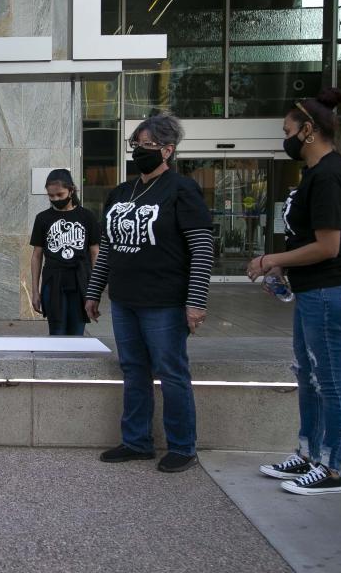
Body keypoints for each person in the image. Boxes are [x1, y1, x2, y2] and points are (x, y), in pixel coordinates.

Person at [247, 88, 341, 496]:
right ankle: (309, 453)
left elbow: (328, 247)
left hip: (331, 292)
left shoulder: (330, 175)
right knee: (310, 376)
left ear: (308, 130)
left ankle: (331, 468)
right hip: (315, 291)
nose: (286, 137)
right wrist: (280, 266)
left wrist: (271, 260)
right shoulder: (316, 174)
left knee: (329, 381)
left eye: (288, 130)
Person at [84, 114, 213, 473]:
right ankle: (136, 441)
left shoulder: (181, 189)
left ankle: (183, 446)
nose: (139, 151)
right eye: (135, 145)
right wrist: (94, 292)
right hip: (125, 301)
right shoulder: (120, 193)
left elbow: (202, 247)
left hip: (165, 302)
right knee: (133, 370)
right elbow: (107, 249)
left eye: (147, 146)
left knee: (171, 372)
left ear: (168, 150)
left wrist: (196, 301)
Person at [30, 169, 100, 335]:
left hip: (80, 279)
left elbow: (95, 253)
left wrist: (95, 290)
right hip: (53, 280)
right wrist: (35, 291)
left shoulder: (87, 217)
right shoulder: (43, 218)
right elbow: (36, 255)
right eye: (51, 196)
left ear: (71, 190)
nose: (55, 199)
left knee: (77, 332)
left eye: (60, 195)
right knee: (56, 332)